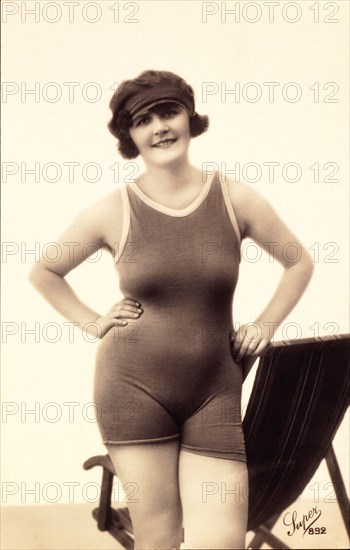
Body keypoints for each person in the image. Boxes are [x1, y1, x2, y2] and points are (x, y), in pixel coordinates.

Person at [29, 69, 314, 550]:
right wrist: (94, 322)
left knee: (220, 541)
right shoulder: (114, 209)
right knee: (158, 538)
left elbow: (298, 262)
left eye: (168, 112)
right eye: (143, 120)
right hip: (132, 390)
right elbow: (44, 272)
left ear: (189, 118)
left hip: (214, 392)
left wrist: (266, 324)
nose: (159, 126)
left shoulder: (234, 197)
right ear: (130, 136)